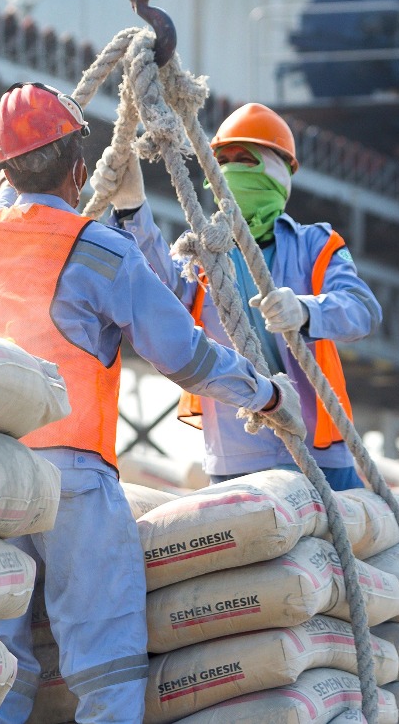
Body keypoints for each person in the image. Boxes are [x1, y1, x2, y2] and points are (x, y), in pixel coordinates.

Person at [0, 83, 304, 724]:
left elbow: (13, 204)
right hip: (73, 484)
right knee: (106, 665)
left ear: (2, 168)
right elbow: (185, 357)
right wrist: (265, 391)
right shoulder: (99, 250)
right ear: (79, 168)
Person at [108, 103, 382, 492]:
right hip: (237, 453)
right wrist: (132, 208)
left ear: (279, 171)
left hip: (320, 449)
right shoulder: (205, 254)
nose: (233, 170)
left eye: (245, 160)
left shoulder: (317, 245)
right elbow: (161, 286)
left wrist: (306, 310)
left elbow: (363, 309)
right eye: (224, 161)